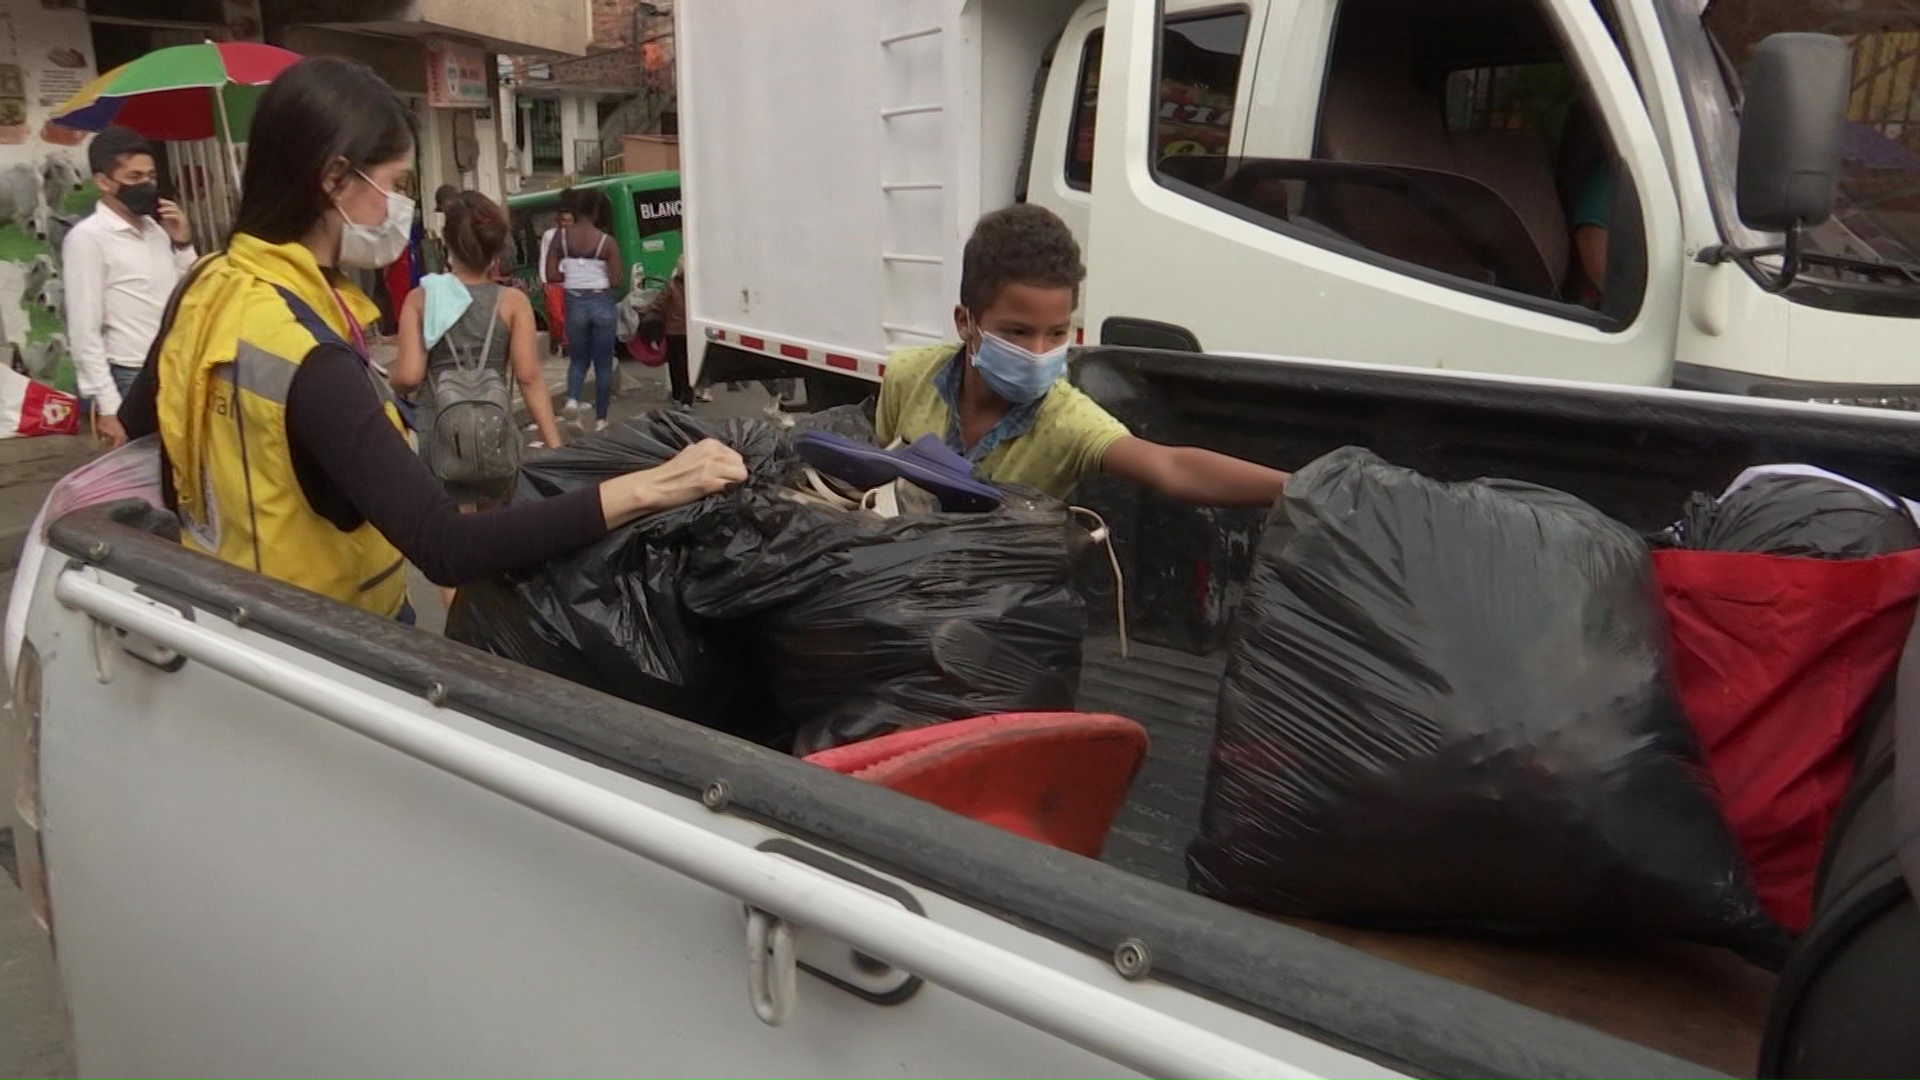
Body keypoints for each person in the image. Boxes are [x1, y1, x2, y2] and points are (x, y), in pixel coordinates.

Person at [118, 57, 744, 623]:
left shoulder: (204, 285)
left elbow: (137, 432)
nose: (400, 207)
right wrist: (651, 486)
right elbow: (445, 545)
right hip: (331, 639)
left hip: (227, 618)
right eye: (395, 184)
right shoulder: (305, 353)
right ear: (337, 179)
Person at [875, 204, 1288, 505]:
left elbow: (1172, 468)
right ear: (966, 322)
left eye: (1056, 333)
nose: (1038, 352)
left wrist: (1300, 491)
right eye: (1017, 332)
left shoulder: (1066, 422)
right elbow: (876, 483)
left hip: (998, 607)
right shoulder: (907, 376)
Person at [391, 187, 565, 479]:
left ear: (447, 244)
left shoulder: (421, 298)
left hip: (436, 432)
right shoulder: (513, 302)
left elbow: (409, 376)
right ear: (496, 249)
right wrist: (556, 446)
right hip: (491, 431)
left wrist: (385, 381)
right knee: (493, 516)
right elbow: (528, 377)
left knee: (443, 518)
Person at [62, 125, 194, 448]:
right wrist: (108, 407)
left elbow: (191, 292)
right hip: (131, 375)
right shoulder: (87, 239)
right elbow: (84, 328)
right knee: (145, 474)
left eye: (150, 177)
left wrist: (183, 243)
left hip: (176, 365)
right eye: (134, 178)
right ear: (104, 182)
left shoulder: (156, 228)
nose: (146, 185)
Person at [545, 188, 622, 431]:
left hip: (575, 303)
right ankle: (600, 419)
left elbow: (551, 274)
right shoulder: (606, 242)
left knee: (578, 360)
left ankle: (572, 401)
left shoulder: (561, 238)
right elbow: (617, 280)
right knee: (603, 363)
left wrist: (572, 272)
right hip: (601, 304)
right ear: (596, 210)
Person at [537, 190, 575, 358]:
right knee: (556, 316)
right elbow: (544, 256)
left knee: (569, 316)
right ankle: (555, 337)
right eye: (562, 221)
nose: (565, 223)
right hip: (553, 281)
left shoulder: (577, 236)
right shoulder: (549, 236)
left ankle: (566, 344)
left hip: (571, 281)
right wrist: (544, 280)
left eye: (568, 220)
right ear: (558, 221)